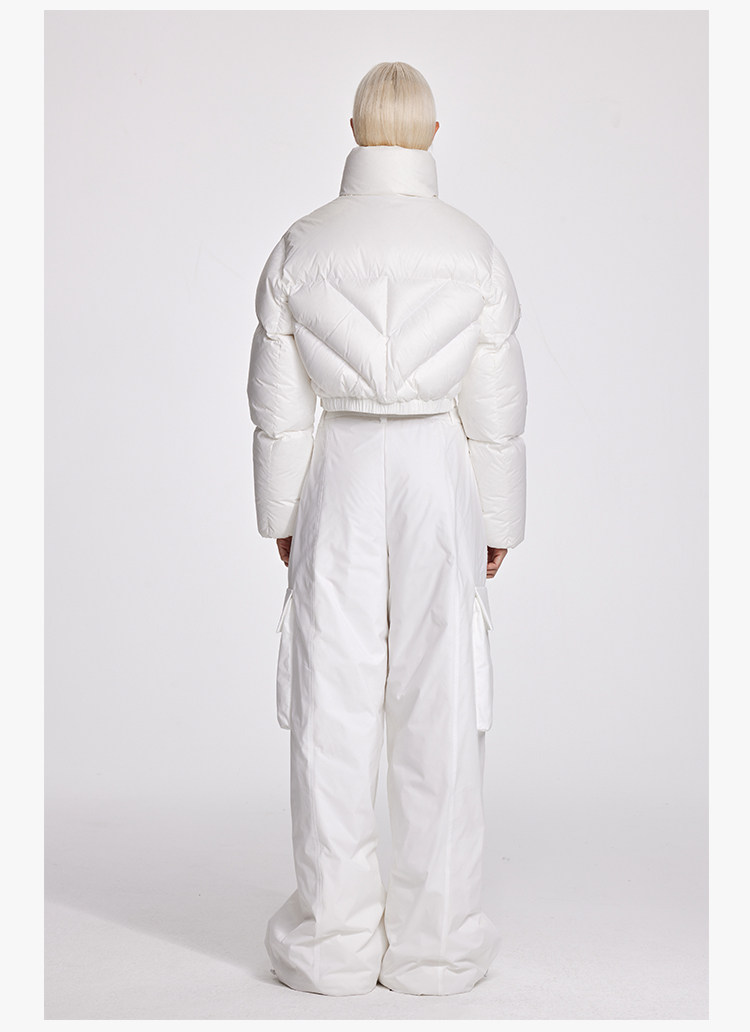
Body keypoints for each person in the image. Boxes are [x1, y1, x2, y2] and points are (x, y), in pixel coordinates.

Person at [247, 61, 527, 997]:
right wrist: (498, 521)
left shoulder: (301, 244)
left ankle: (330, 946)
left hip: (339, 467)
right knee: (440, 700)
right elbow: (496, 410)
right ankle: (435, 948)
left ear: (354, 131)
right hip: (435, 470)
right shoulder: (472, 247)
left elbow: (277, 407)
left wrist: (283, 515)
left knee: (331, 703)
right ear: (433, 135)